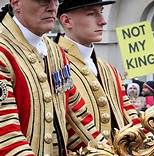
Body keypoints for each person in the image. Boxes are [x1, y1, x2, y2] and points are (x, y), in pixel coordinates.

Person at [0, 0, 112, 155]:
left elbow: (77, 121)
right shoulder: (3, 51)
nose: (52, 7)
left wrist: (106, 151)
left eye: (56, 0)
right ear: (16, 3)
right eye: (43, 0)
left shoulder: (56, 53)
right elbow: (6, 136)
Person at [55, 0, 145, 144]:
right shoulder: (53, 66)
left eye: (101, 12)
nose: (103, 21)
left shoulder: (109, 69)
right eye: (91, 14)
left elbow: (130, 115)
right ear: (66, 21)